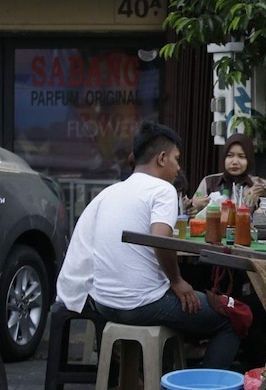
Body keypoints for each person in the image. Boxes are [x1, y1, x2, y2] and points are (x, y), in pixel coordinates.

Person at [56, 121, 240, 369]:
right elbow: (160, 239)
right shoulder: (162, 189)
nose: (178, 168)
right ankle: (202, 383)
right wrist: (176, 281)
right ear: (162, 158)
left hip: (103, 303)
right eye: (176, 159)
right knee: (232, 318)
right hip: (142, 304)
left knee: (187, 303)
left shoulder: (109, 192)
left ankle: (158, 374)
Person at [189, 133, 266, 216]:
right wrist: (196, 206)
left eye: (241, 156)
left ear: (249, 159)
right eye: (230, 155)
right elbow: (190, 214)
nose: (235, 162)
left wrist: (265, 196)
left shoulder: (260, 184)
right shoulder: (209, 182)